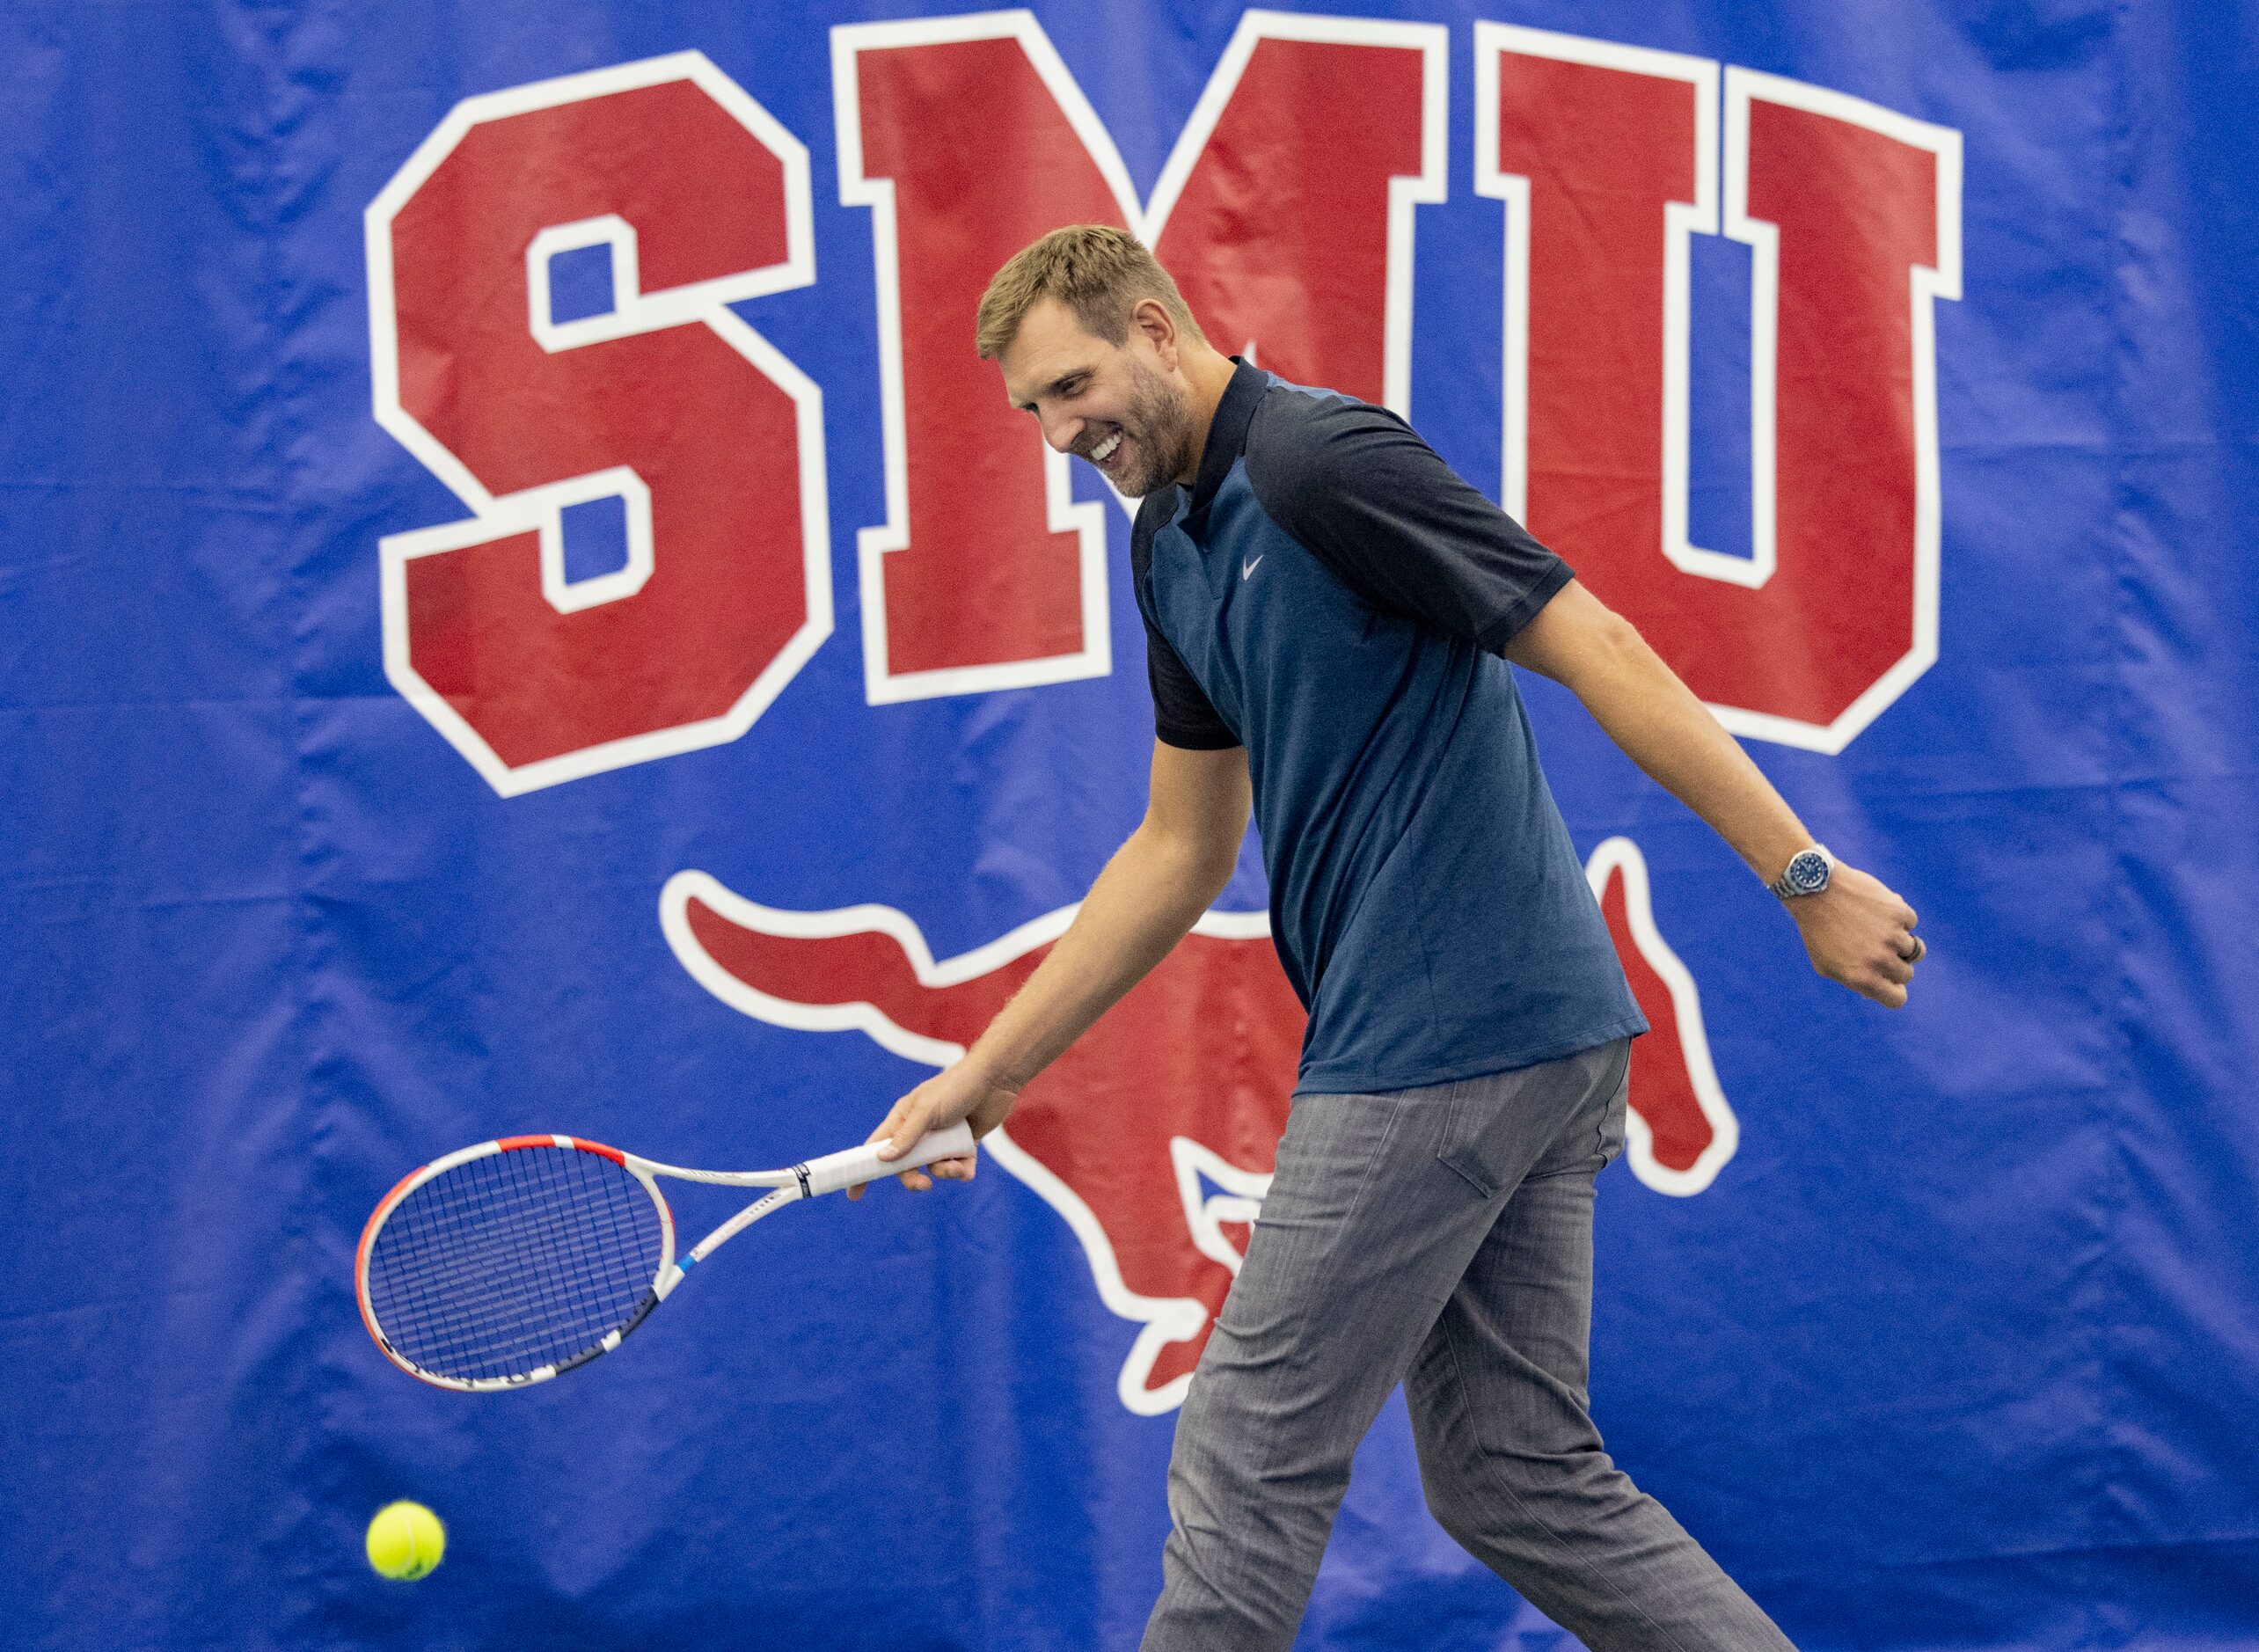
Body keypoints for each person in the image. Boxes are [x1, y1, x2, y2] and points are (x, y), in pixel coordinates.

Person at [853, 224, 1923, 1650]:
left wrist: (1802, 874)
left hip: (1450, 1032)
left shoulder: (1320, 463)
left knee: (1246, 1446)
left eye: (1072, 384)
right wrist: (990, 1069)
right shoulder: (1169, 543)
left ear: (1159, 329)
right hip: (1528, 1035)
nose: (1060, 431)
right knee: (1514, 1476)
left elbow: (1596, 641)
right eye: (1033, 410)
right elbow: (1181, 848)